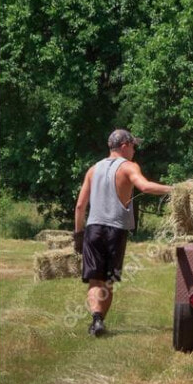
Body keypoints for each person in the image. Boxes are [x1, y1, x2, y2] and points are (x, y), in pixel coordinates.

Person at [74, 129, 173, 336]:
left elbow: (80, 205)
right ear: (125, 146)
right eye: (134, 146)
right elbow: (144, 187)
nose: (135, 150)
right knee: (108, 281)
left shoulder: (93, 169)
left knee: (94, 279)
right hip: (116, 230)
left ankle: (96, 319)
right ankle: (99, 321)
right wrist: (174, 189)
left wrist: (78, 234)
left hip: (93, 228)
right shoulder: (129, 167)